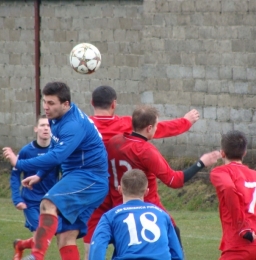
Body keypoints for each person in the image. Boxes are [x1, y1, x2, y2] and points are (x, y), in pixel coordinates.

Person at [83, 85, 200, 258]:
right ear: (114, 104)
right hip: (132, 194)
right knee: (163, 232)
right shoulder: (124, 125)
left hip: (98, 190)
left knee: (94, 240)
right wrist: (185, 121)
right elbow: (160, 128)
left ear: (92, 102)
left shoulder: (84, 125)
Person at [3, 82, 109, 260]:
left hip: (89, 178)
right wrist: (40, 175)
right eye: (45, 102)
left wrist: (20, 163)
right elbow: (54, 148)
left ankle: (36, 256)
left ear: (66, 104)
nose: (46, 107)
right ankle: (28, 248)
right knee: (65, 237)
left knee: (48, 203)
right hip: (81, 177)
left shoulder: (73, 125)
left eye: (51, 103)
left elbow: (57, 157)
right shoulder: (57, 118)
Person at [105, 105, 221, 248]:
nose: (156, 129)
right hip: (147, 210)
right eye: (156, 126)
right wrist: (201, 163)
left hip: (119, 209)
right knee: (172, 237)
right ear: (149, 128)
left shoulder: (114, 142)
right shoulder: (146, 151)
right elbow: (174, 180)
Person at [89, 169, 183, 260]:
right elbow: (176, 253)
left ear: (120, 190)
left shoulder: (110, 216)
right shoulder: (162, 214)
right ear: (146, 192)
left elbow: (97, 246)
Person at [10, 115, 59, 260]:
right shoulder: (26, 151)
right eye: (42, 125)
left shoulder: (57, 151)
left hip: (51, 202)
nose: (46, 128)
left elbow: (65, 173)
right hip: (31, 202)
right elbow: (15, 174)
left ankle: (21, 245)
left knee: (47, 237)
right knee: (41, 236)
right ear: (36, 129)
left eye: (48, 126)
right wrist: (16, 198)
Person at [210, 130, 256, 260]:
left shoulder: (220, 172)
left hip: (238, 244)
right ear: (244, 153)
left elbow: (228, 187)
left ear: (222, 153)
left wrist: (243, 228)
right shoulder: (254, 174)